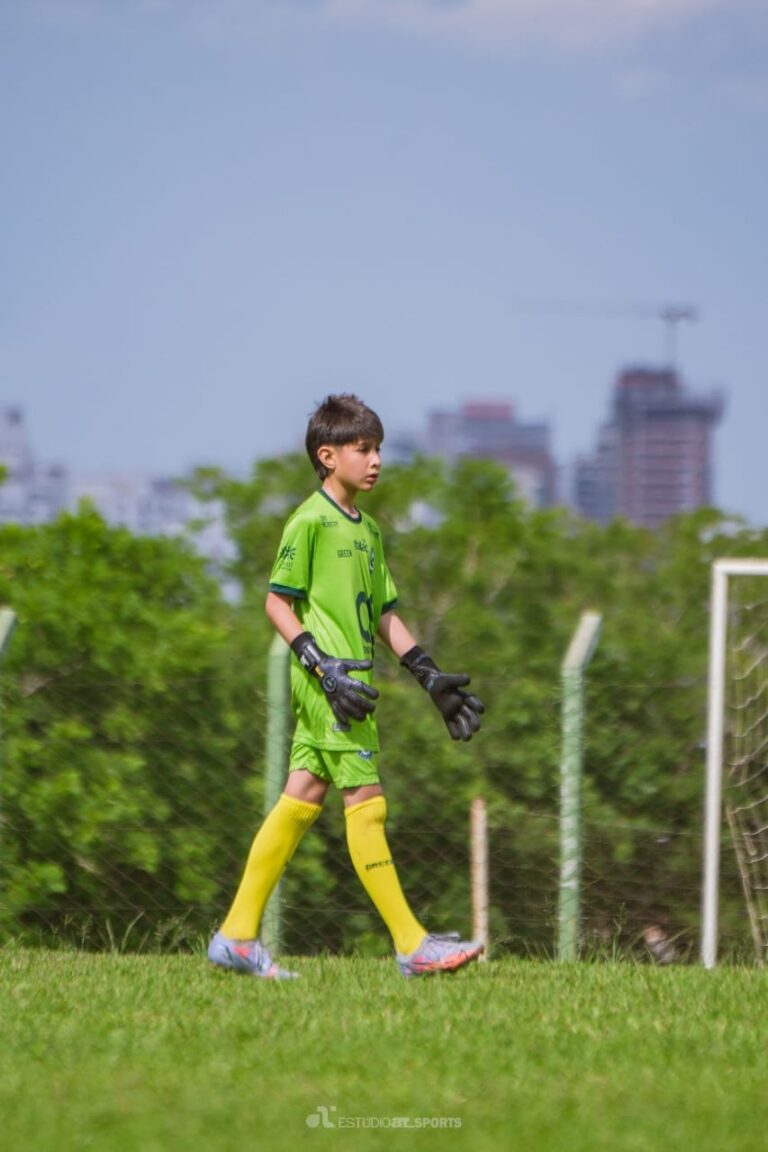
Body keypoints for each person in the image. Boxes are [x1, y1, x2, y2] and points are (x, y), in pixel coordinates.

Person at [208, 393, 485, 979]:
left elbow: (384, 614)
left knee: (300, 799)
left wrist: (428, 674)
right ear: (328, 456)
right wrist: (320, 665)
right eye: (364, 449)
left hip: (347, 685)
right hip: (330, 686)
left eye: (379, 447)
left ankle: (234, 936)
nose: (376, 459)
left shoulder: (370, 531)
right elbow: (276, 601)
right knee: (367, 802)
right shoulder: (309, 520)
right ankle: (412, 944)